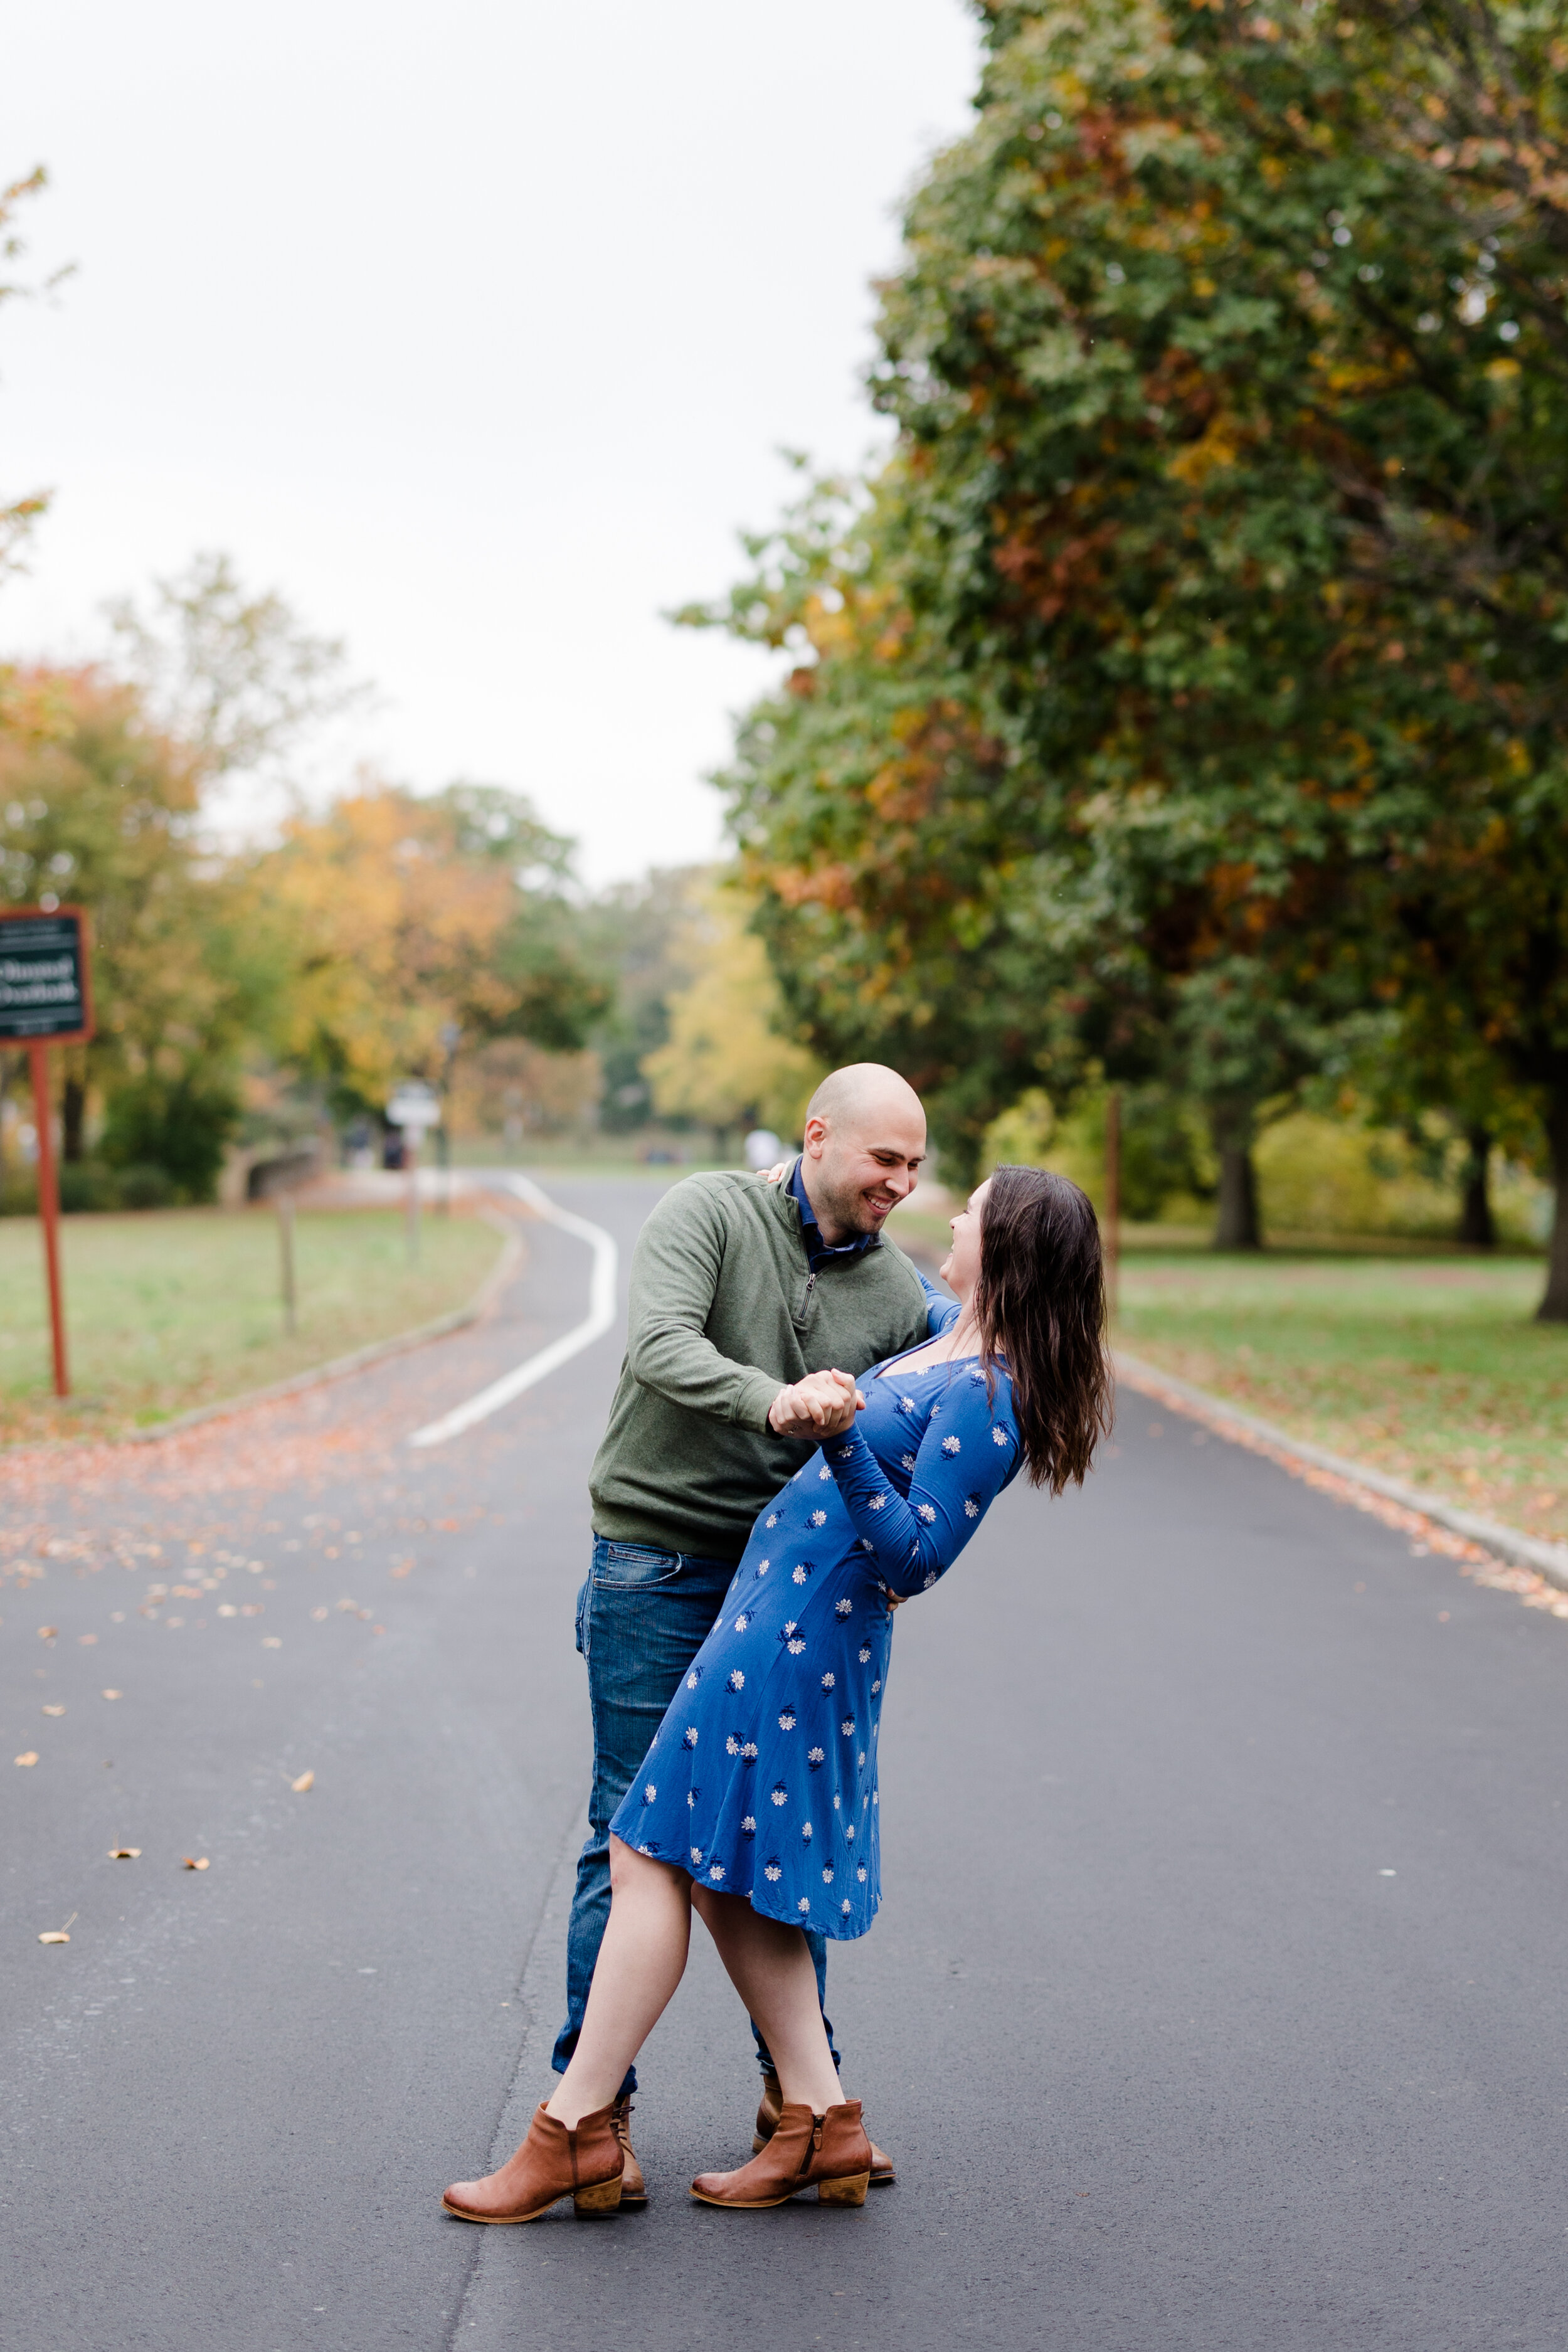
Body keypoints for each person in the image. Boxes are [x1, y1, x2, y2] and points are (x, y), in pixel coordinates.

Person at [443, 1163, 1113, 2222]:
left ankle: (573, 2128)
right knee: (718, 1874)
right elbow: (919, 1294)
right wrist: (789, 1187)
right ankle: (822, 2119)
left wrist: (839, 1439)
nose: (951, 1212)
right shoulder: (952, 1334)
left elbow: (914, 1556)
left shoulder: (991, 1394)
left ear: (1012, 1246)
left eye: (974, 1211)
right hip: (769, 1621)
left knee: (648, 1845)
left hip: (797, 1642)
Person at [539, 1064, 951, 2206]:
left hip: (781, 1587)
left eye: (916, 1167)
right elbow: (659, 1345)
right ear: (819, 1137)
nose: (901, 1185)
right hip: (654, 1563)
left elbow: (955, 1373)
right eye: (885, 1160)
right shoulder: (707, 1211)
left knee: (780, 1836)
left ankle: (806, 2105)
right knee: (627, 1833)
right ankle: (596, 2114)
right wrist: (773, 1400)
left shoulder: (899, 1292)